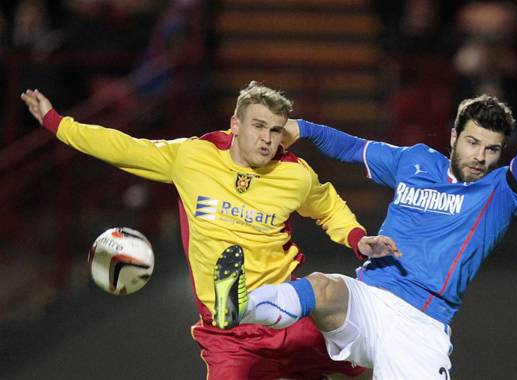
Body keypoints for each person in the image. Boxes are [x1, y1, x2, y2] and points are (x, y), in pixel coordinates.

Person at [212, 22, 517, 379]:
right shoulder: (415, 161)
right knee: (322, 287)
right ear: (453, 137)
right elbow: (353, 148)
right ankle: (238, 306)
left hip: (419, 325)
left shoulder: (500, 193)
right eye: (472, 142)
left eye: (491, 149)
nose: (480, 156)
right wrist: (304, 128)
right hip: (369, 299)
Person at [20, 81, 374, 379]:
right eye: (258, 126)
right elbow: (123, 147)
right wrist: (56, 122)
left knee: (376, 363)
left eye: (275, 130)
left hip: (289, 318)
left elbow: (327, 205)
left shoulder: (295, 174)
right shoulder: (192, 158)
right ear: (235, 123)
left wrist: (357, 238)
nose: (267, 139)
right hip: (227, 333)